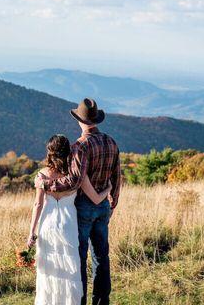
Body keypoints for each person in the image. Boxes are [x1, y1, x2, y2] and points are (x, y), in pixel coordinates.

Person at [36, 98, 122, 305]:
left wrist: (46, 185)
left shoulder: (80, 146)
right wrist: (113, 202)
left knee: (79, 258)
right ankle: (101, 301)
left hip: (83, 207)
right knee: (102, 257)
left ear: (79, 120)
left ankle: (80, 300)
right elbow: (117, 176)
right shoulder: (111, 142)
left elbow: (74, 180)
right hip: (102, 205)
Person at [27, 134, 112, 305]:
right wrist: (108, 189)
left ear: (49, 152)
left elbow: (37, 204)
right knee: (70, 267)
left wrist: (31, 233)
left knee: (49, 268)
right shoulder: (75, 175)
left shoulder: (42, 175)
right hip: (69, 224)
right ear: (69, 152)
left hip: (47, 224)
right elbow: (95, 199)